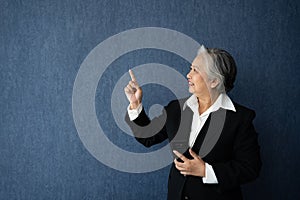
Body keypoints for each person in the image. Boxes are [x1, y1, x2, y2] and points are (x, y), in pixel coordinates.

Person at [124, 45, 262, 200]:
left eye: (196, 70)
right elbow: (147, 137)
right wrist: (135, 105)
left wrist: (205, 171)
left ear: (214, 81)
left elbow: (250, 168)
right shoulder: (176, 109)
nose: (188, 75)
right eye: (190, 68)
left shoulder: (240, 119)